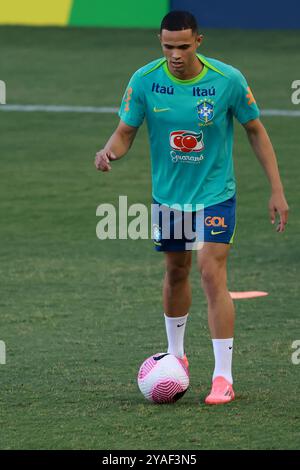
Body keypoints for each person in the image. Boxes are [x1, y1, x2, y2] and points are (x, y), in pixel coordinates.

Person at [95, 10, 289, 404]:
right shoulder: (145, 81)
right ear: (160, 42)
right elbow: (124, 133)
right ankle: (177, 355)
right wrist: (108, 152)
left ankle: (222, 377)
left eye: (183, 46)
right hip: (169, 199)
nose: (176, 54)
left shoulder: (226, 81)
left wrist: (277, 189)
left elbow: (255, 129)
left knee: (210, 271)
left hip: (216, 195)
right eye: (168, 46)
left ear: (198, 41)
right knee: (176, 271)